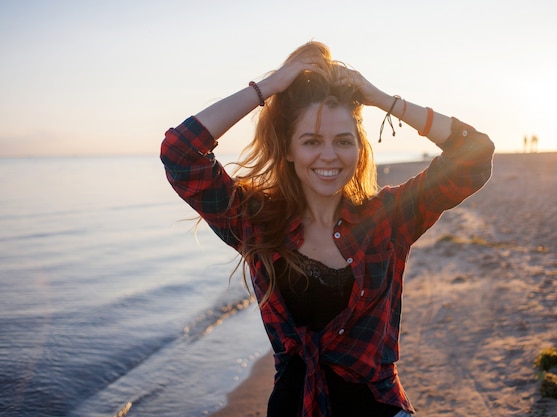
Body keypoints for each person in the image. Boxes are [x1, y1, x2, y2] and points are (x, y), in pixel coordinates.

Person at [160, 41, 494, 417]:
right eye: (311, 141)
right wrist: (269, 87)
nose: (329, 155)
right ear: (288, 150)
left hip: (378, 407)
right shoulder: (256, 222)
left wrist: (382, 99)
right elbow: (181, 152)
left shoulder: (389, 217)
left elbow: (475, 155)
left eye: (343, 141)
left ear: (359, 149)